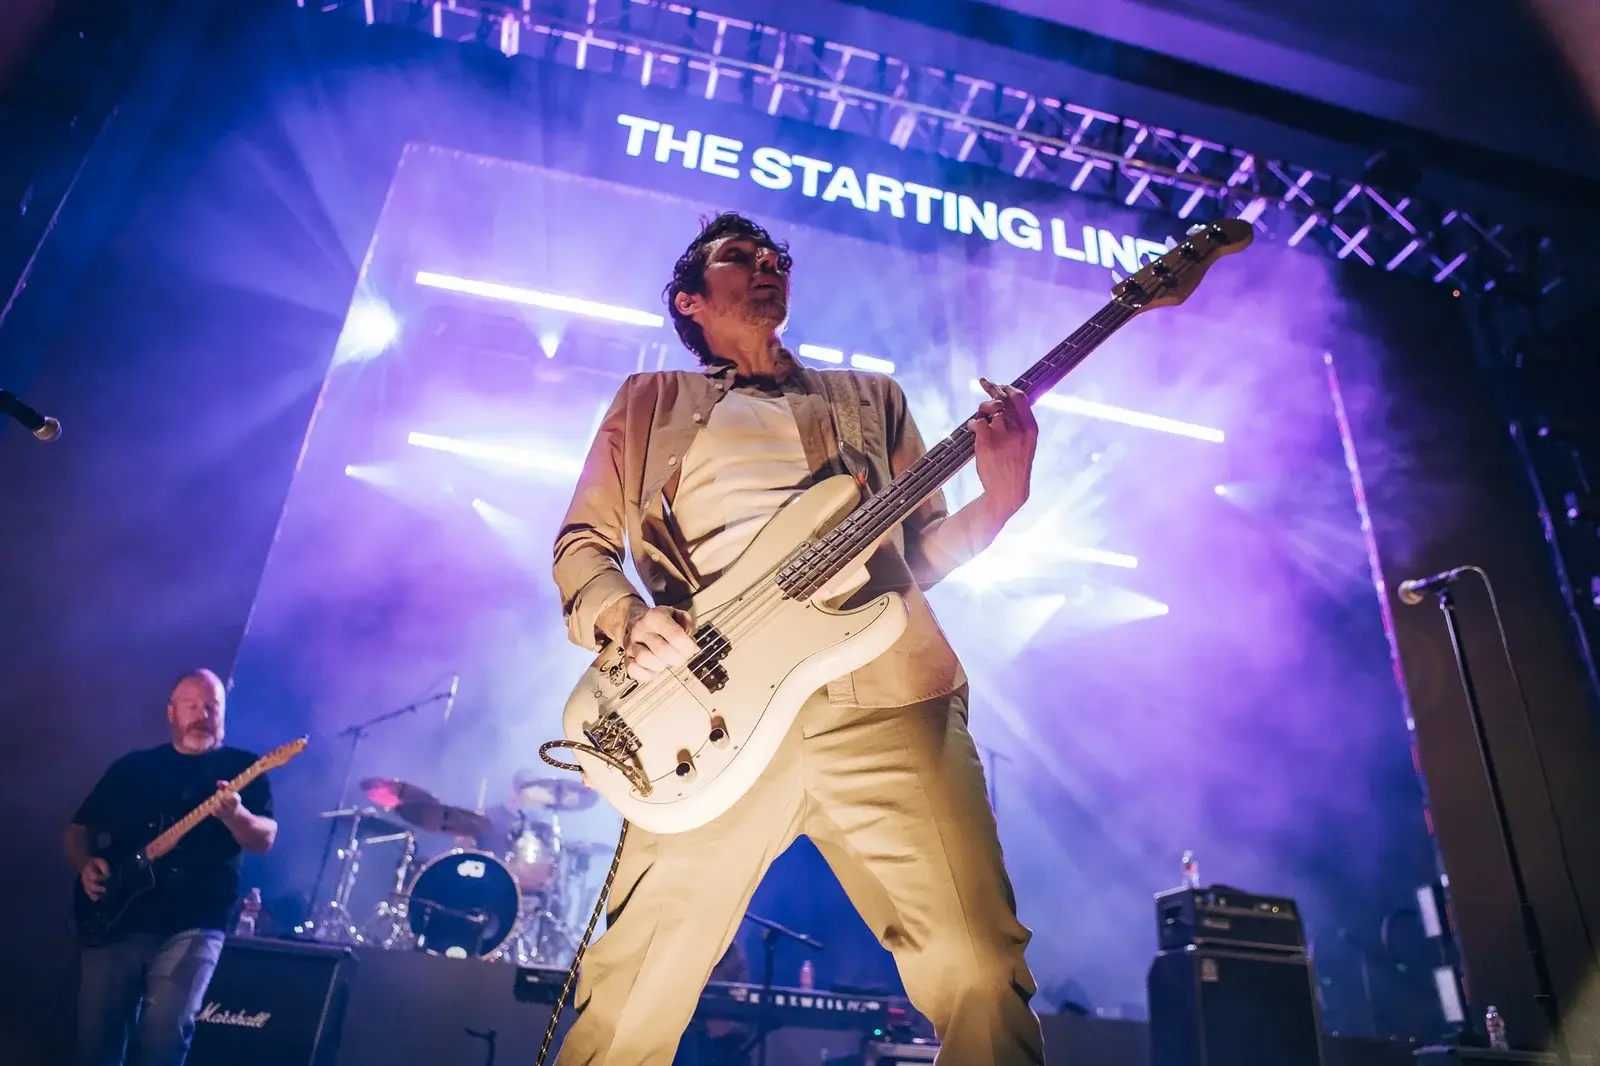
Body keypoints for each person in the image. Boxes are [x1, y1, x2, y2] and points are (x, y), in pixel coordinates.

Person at [552, 212, 1045, 1065]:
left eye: (775, 256)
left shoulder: (871, 399)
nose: (767, 265)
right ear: (690, 300)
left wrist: (998, 502)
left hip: (889, 700)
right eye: (739, 258)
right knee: (634, 986)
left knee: (978, 964)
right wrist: (630, 618)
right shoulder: (650, 401)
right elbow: (582, 547)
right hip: (709, 714)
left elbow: (917, 555)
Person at [65, 668, 278, 1066]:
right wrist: (85, 864)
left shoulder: (244, 768)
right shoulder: (134, 768)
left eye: (212, 707)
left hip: (195, 921)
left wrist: (235, 815)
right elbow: (79, 830)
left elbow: (264, 838)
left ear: (224, 713)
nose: (202, 715)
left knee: (165, 1034)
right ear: (171, 713)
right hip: (117, 916)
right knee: (97, 1041)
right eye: (191, 706)